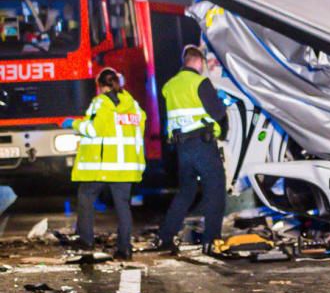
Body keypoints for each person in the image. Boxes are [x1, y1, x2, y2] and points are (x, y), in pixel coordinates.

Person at [68, 68, 146, 260]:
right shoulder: (134, 106)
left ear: (101, 86)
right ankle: (124, 248)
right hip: (127, 167)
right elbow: (140, 129)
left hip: (104, 166)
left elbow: (94, 130)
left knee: (86, 196)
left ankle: (86, 240)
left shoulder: (101, 102)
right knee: (123, 206)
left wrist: (73, 124)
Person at [157, 45, 227, 255]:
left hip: (182, 148)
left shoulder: (169, 86)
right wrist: (223, 104)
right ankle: (211, 241)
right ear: (198, 62)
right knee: (215, 192)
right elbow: (217, 113)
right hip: (203, 144)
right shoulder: (200, 82)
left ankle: (166, 237)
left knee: (185, 193)